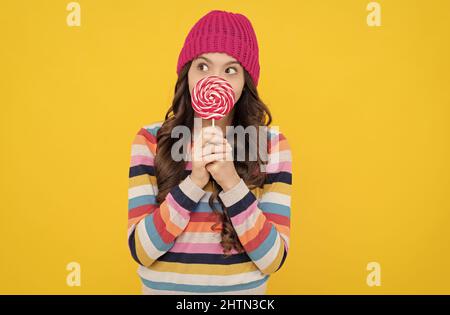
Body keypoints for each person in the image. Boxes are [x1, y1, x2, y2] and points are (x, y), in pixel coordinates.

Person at [127, 9, 292, 295]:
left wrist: (231, 182)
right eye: (203, 66)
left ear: (245, 82)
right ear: (186, 73)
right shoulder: (151, 141)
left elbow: (272, 259)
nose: (214, 79)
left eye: (231, 70)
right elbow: (141, 251)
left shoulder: (270, 145)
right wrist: (194, 183)